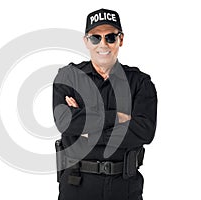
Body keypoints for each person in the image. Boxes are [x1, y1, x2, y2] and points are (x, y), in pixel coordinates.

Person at [53, 8, 157, 200]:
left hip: (124, 188)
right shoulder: (68, 77)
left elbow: (145, 131)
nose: (103, 44)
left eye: (110, 37)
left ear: (121, 40)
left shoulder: (140, 83)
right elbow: (65, 122)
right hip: (76, 185)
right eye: (95, 38)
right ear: (86, 41)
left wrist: (86, 130)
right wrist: (117, 118)